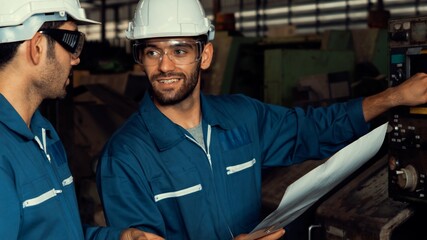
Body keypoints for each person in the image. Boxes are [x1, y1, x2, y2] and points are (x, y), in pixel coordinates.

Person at [95, 0, 427, 239]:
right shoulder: (125, 155)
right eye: (152, 51)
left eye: (179, 50)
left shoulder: (241, 117)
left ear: (205, 55)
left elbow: (313, 128)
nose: (165, 66)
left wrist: (395, 98)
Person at [0, 0, 164, 239]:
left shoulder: (43, 133)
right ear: (36, 48)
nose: (76, 59)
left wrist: (117, 238)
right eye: (72, 43)